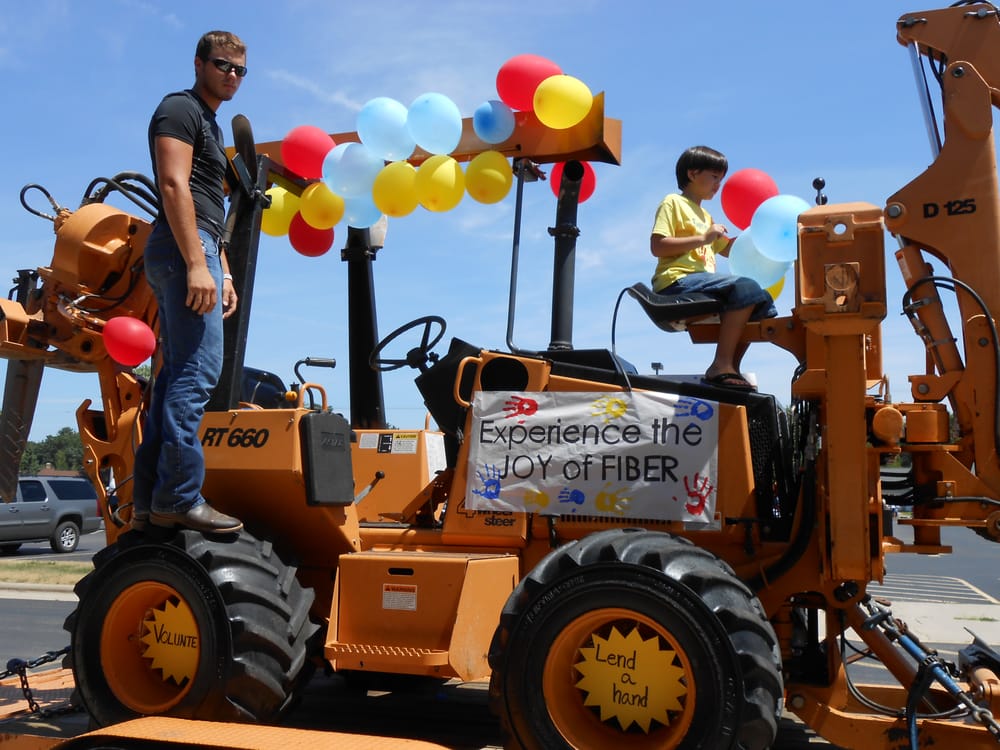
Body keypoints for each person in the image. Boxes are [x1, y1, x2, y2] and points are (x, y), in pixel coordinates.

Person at [131, 31, 247, 534]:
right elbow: (174, 184)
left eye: (241, 70)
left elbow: (209, 206)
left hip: (196, 244)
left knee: (176, 376)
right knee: (197, 373)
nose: (232, 76)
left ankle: (147, 501)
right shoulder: (178, 108)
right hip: (182, 248)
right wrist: (197, 263)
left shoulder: (211, 124)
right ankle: (178, 496)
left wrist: (219, 268)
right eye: (223, 65)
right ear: (199, 63)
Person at [649, 145, 777, 390]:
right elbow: (658, 246)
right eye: (714, 177)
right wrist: (703, 239)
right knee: (746, 288)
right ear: (692, 174)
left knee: (763, 302)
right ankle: (720, 364)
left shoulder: (706, 217)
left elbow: (729, 249)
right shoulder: (673, 203)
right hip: (676, 282)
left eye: (721, 178)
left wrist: (761, 234)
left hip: (700, 285)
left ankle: (730, 367)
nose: (718, 185)